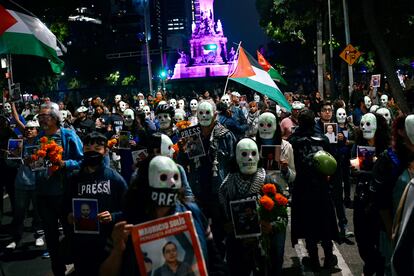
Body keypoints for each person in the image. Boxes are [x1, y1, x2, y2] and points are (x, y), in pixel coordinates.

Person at [219, 138, 288, 275]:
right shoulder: (227, 187)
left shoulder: (269, 182)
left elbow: (283, 215)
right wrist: (228, 225)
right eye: (244, 154)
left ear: (258, 156)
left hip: (265, 242)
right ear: (236, 157)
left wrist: (271, 226)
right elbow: (222, 216)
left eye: (253, 154)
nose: (249, 158)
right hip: (239, 243)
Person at [36, 102, 83, 276]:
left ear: (55, 118)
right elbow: (32, 160)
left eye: (45, 116)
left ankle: (79, 267)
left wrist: (65, 164)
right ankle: (58, 270)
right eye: (39, 117)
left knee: (71, 234)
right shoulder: (37, 138)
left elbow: (81, 160)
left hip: (64, 195)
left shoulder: (68, 135)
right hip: (43, 195)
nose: (42, 120)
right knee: (51, 237)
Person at [288, 109, 339, 271]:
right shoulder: (323, 139)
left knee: (308, 222)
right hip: (321, 188)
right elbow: (332, 164)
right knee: (325, 221)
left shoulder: (294, 141)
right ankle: (329, 257)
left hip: (303, 188)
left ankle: (314, 259)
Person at [352, 113, 390, 276]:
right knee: (362, 239)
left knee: (377, 239)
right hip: (361, 197)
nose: (364, 128)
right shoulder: (357, 146)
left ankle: (376, 267)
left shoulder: (386, 150)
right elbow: (354, 169)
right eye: (363, 124)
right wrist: (353, 168)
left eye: (369, 124)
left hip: (379, 201)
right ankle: (370, 263)